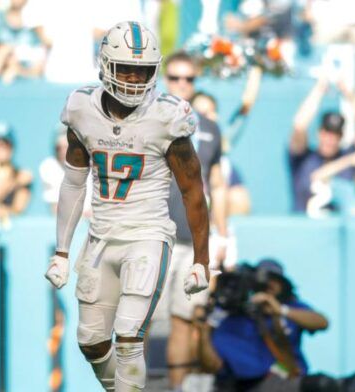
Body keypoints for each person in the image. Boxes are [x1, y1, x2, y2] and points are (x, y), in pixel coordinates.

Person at [45, 21, 212, 392]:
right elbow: (74, 180)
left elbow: (193, 192)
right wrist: (61, 250)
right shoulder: (80, 108)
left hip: (147, 236)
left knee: (128, 335)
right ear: (105, 65)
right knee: (90, 340)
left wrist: (202, 259)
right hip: (101, 235)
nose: (135, 79)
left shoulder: (168, 116)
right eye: (127, 69)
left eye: (144, 71)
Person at [151, 51, 230, 391]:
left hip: (191, 239)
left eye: (189, 78)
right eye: (175, 78)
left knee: (184, 319)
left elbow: (218, 184)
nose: (182, 84)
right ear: (164, 81)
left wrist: (223, 237)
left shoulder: (209, 128)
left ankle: (176, 388)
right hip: (152, 236)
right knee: (137, 322)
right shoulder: (147, 120)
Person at [194, 259, 355, 392]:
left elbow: (322, 322)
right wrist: (205, 328)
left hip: (290, 377)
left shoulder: (287, 306)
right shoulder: (231, 318)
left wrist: (281, 311)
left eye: (274, 280)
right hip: (253, 384)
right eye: (264, 280)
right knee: (320, 385)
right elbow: (212, 366)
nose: (269, 285)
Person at [288, 76, 355, 212]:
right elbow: (299, 126)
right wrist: (319, 90)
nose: (330, 139)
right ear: (319, 133)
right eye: (327, 133)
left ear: (341, 137)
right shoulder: (304, 158)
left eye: (335, 135)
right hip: (304, 227)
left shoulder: (349, 154)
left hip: (341, 230)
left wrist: (348, 93)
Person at [0, 0, 46, 84]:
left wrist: (18, 71)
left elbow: (38, 71)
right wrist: (2, 55)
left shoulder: (34, 31)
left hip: (24, 87)